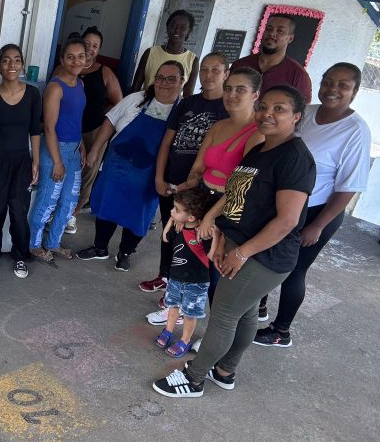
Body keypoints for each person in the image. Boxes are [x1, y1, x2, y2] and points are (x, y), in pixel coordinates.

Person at [152, 85, 316, 398]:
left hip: (264, 256)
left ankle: (194, 378)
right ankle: (225, 371)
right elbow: (236, 195)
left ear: (296, 116)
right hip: (241, 245)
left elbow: (287, 221)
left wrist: (240, 253)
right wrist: (221, 234)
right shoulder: (261, 149)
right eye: (263, 107)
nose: (267, 114)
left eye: (279, 109)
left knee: (224, 315)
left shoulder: (295, 158)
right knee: (245, 313)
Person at [254, 62, 372, 346]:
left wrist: (318, 225)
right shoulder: (306, 112)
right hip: (284, 203)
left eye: (343, 85)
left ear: (355, 92)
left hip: (317, 211)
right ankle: (259, 305)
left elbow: (349, 186)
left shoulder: (356, 131)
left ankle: (281, 332)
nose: (332, 89)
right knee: (265, 257)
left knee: (294, 270)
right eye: (328, 81)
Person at [146, 67, 264, 327]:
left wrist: (209, 217)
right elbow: (198, 169)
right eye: (229, 88)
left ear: (255, 95)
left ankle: (215, 332)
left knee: (216, 269)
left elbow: (240, 187)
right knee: (188, 260)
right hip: (203, 197)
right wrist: (187, 199)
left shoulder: (257, 134)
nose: (232, 95)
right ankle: (179, 310)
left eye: (241, 90)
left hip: (228, 207)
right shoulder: (219, 126)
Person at [77, 61, 184, 271]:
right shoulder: (137, 99)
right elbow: (110, 121)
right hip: (117, 167)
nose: (164, 83)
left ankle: (125, 252)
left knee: (138, 215)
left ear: (182, 82)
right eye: (160, 77)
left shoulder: (181, 111)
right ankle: (100, 247)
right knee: (107, 207)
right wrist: (95, 149)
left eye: (171, 79)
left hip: (150, 174)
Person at [140, 52, 230, 294]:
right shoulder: (188, 103)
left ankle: (181, 290)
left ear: (226, 74)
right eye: (204, 69)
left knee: (193, 240)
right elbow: (167, 142)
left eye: (215, 70)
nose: (208, 75)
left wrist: (194, 184)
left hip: (201, 190)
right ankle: (165, 276)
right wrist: (159, 178)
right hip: (172, 181)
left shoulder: (228, 110)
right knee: (170, 230)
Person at [0, 44, 42, 278]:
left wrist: (35, 161)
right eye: (6, 60)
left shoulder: (33, 94)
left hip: (22, 161)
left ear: (22, 64)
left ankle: (20, 256)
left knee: (18, 211)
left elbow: (35, 130)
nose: (11, 65)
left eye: (16, 60)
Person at [28, 38, 87, 262]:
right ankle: (33, 245)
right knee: (48, 201)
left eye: (80, 56)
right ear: (62, 60)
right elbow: (49, 128)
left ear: (86, 59)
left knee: (69, 202)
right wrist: (57, 162)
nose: (76, 61)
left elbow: (76, 119)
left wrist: (82, 145)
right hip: (56, 150)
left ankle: (53, 243)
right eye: (70, 57)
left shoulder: (80, 84)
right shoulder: (55, 88)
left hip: (74, 149)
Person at [66, 26, 123, 234]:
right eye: (87, 43)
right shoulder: (68, 68)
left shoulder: (104, 72)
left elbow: (119, 103)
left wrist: (102, 114)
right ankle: (58, 210)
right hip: (68, 129)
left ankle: (72, 214)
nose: (90, 48)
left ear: (99, 50)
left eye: (95, 45)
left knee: (86, 173)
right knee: (63, 170)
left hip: (94, 131)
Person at [154, 188, 220, 358]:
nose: (172, 211)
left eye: (176, 210)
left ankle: (185, 340)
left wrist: (216, 237)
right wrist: (172, 220)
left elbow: (211, 256)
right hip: (175, 278)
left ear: (190, 217)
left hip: (197, 282)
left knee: (190, 314)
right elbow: (165, 238)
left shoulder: (203, 234)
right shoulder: (179, 227)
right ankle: (168, 331)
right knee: (173, 306)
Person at [231, 14, 312, 103]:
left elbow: (303, 109)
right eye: (269, 29)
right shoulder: (240, 64)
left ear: (290, 38)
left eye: (280, 31)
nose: (272, 34)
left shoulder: (298, 76)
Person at [132, 9, 200, 98]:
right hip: (146, 102)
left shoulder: (192, 60)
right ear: (168, 27)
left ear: (189, 31)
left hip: (172, 106)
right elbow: (135, 88)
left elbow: (188, 95)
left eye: (183, 27)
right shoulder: (150, 53)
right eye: (174, 25)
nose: (177, 30)